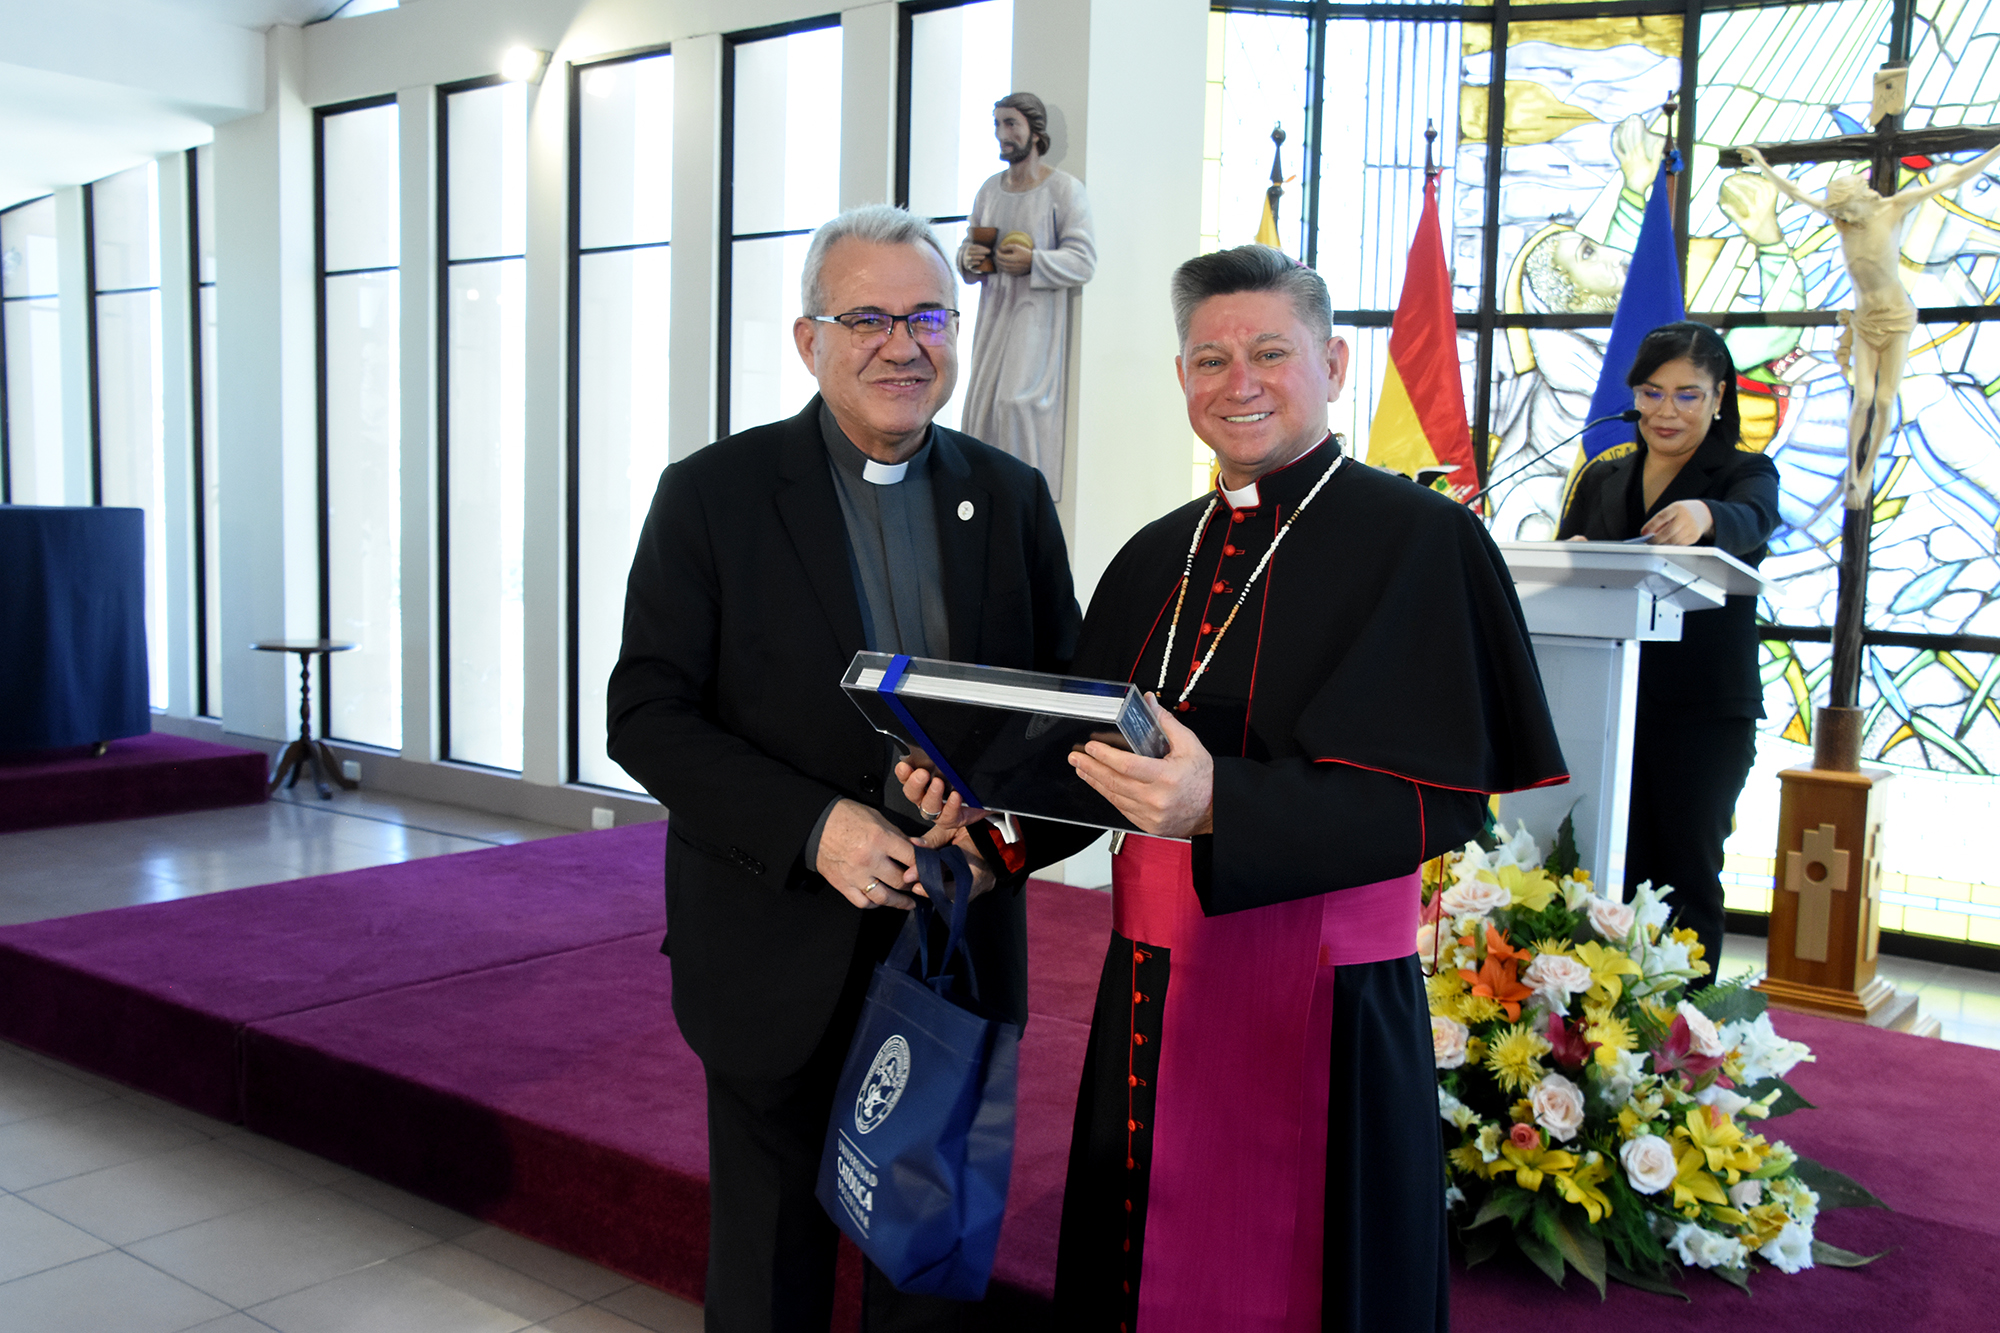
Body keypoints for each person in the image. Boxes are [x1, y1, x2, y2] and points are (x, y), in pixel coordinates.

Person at [906, 245, 1565, 1330]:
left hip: (1332, 999)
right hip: (1155, 985)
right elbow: (1083, 767)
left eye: (1269, 352)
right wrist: (989, 830)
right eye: (1210, 360)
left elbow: (1444, 802)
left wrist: (1220, 807)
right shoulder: (1156, 554)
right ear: (1181, 379)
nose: (1238, 381)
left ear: (1333, 365)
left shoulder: (1423, 540)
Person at [607, 204, 1081, 1333]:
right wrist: (815, 827)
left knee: (924, 1275)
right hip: (773, 944)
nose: (901, 346)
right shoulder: (713, 494)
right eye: (866, 318)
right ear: (807, 339)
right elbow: (645, 715)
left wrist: (997, 838)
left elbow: (1061, 723)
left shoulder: (1010, 496)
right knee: (769, 1276)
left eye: (928, 317)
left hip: (953, 945)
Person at [1557, 321, 1782, 979]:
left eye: (1688, 395)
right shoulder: (1604, 475)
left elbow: (1753, 519)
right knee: (1602, 864)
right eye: (1652, 393)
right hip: (1602, 703)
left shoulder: (1743, 471)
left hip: (1702, 712)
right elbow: (1565, 562)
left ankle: (1687, 1028)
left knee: (1684, 869)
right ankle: (1599, 1017)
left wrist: (1706, 516)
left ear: (1719, 397)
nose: (1667, 411)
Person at [1741, 143, 2000, 507]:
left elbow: (1954, 177)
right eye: (1839, 212)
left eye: (1846, 210)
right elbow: (1796, 193)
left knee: (1885, 398)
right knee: (1862, 397)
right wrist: (1761, 162)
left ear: (1862, 199)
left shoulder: (1891, 209)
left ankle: (1866, 475)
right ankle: (1853, 473)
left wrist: (1994, 151)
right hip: (1864, 320)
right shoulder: (1844, 220)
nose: (1842, 217)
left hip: (1895, 319)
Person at [956, 92, 1096, 499]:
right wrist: (969, 258)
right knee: (982, 407)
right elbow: (969, 248)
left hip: (1036, 315)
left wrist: (1034, 261)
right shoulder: (989, 191)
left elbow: (1083, 260)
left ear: (1035, 131)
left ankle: (1025, 495)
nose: (1002, 134)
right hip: (994, 312)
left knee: (1017, 403)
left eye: (1011, 124)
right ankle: (984, 493)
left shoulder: (1063, 190)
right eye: (997, 125)